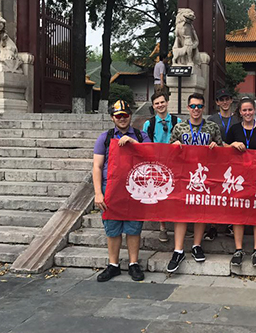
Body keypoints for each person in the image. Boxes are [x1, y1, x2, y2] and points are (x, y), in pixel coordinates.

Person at [93, 100, 150, 282]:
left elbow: (151, 155)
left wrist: (133, 143)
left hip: (135, 187)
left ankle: (133, 263)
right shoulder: (105, 137)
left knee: (134, 227)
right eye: (118, 116)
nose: (122, 119)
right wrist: (97, 193)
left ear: (130, 116)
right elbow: (97, 166)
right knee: (112, 227)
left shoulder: (141, 136)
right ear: (112, 118)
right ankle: (113, 264)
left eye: (125, 115)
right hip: (111, 187)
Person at [167, 93, 223, 273]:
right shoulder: (179, 127)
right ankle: (178, 250)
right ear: (188, 108)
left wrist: (216, 148)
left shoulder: (212, 127)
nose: (196, 109)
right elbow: (168, 151)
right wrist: (174, 145)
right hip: (185, 176)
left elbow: (223, 151)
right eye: (193, 106)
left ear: (204, 107)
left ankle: (197, 245)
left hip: (205, 176)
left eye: (199, 106)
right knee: (181, 213)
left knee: (201, 211)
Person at [226, 97, 256, 268]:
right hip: (238, 178)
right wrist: (232, 145)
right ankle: (238, 249)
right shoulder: (234, 129)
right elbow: (224, 148)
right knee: (238, 214)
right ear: (240, 112)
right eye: (244, 110)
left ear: (255, 111)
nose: (247, 113)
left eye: (250, 110)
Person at [142, 91, 181, 243]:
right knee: (160, 195)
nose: (160, 105)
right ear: (153, 106)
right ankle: (162, 226)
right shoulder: (149, 124)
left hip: (175, 163)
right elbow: (145, 144)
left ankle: (179, 223)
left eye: (162, 102)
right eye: (157, 103)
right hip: (157, 165)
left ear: (167, 102)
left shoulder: (177, 121)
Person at [205, 88, 240, 241]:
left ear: (231, 100)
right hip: (216, 161)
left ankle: (231, 224)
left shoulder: (238, 119)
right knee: (215, 193)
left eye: (227, 99)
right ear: (217, 102)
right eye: (221, 100)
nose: (225, 102)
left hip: (235, 161)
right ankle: (213, 226)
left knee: (233, 193)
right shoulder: (212, 119)